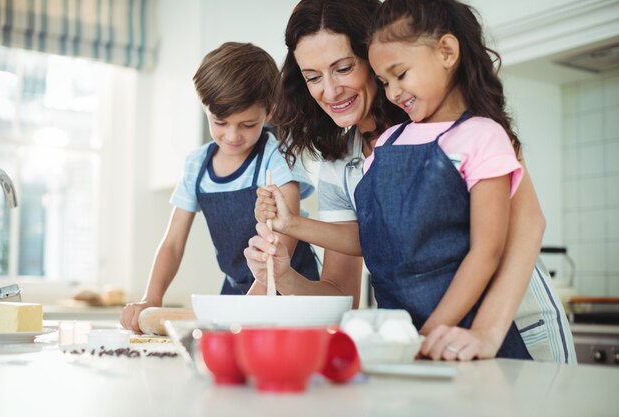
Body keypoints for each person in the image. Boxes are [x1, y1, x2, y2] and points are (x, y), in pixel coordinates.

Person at [245, 0, 575, 362]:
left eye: (343, 68)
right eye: (312, 77)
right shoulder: (339, 163)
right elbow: (344, 287)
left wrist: (487, 331)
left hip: (513, 326)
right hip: (422, 343)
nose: (330, 90)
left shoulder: (459, 120)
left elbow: (528, 225)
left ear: (372, 55)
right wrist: (285, 274)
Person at [121, 42, 319, 333]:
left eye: (247, 124)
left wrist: (259, 293)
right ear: (205, 108)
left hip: (289, 290)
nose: (232, 135)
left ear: (269, 112)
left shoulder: (277, 159)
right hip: (238, 290)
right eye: (220, 122)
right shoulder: (197, 165)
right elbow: (173, 243)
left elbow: (285, 234)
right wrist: (151, 298)